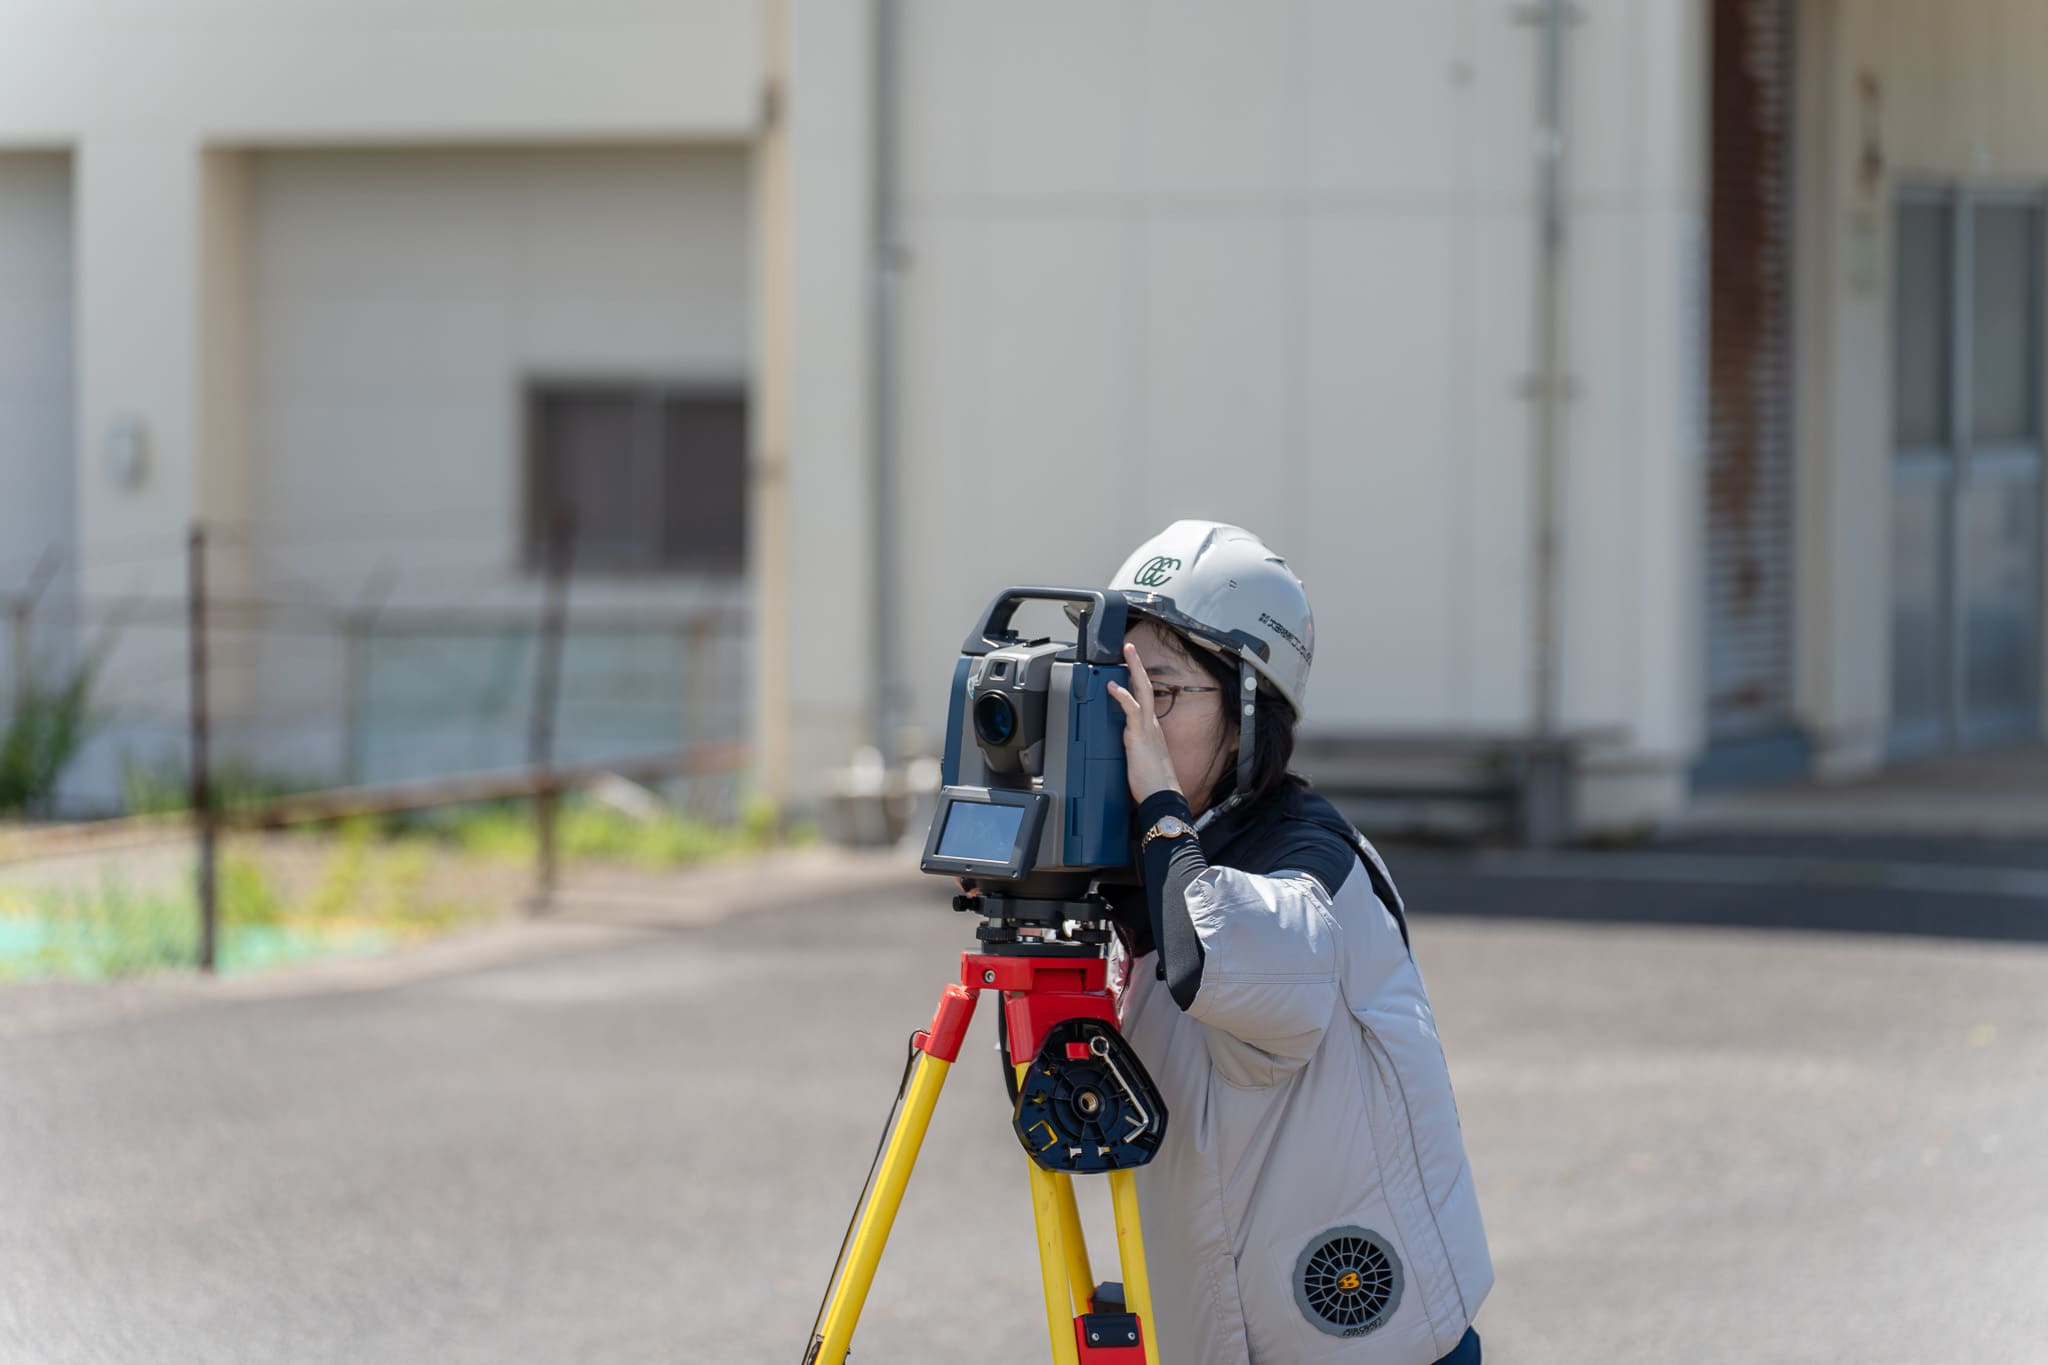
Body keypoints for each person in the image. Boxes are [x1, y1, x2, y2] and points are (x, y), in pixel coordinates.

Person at [1094, 520, 1491, 1365]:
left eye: (1160, 691)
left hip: (1373, 1345)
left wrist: (1158, 807)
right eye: (1116, 685)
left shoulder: (1310, 859)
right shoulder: (1150, 865)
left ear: (1247, 714)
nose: (1131, 718)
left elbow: (1227, 961)